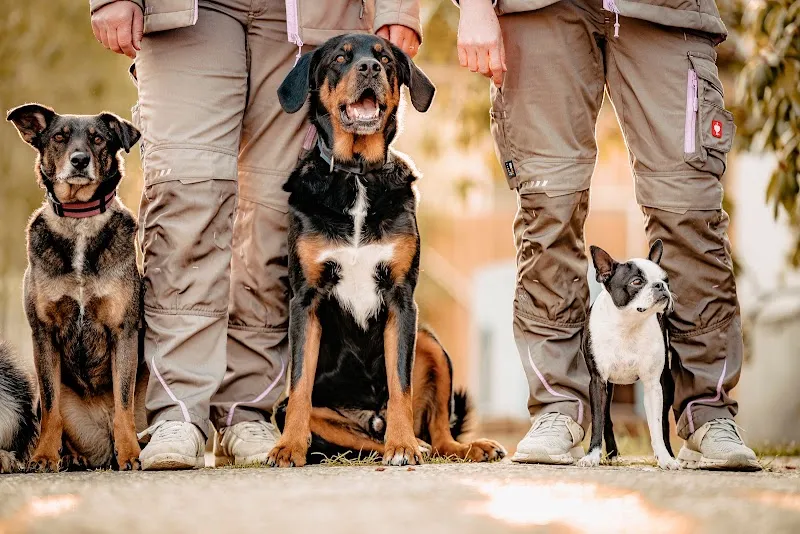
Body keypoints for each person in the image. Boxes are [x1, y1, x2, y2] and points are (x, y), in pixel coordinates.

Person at [89, 0, 421, 470]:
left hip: (312, 13)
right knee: (185, 194)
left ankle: (248, 409)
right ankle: (177, 411)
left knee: (271, 211)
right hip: (188, 10)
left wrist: (398, 8)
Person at [455, 0, 761, 470]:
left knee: (689, 211)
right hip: (537, 10)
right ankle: (559, 408)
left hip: (665, 9)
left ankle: (707, 411)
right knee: (548, 210)